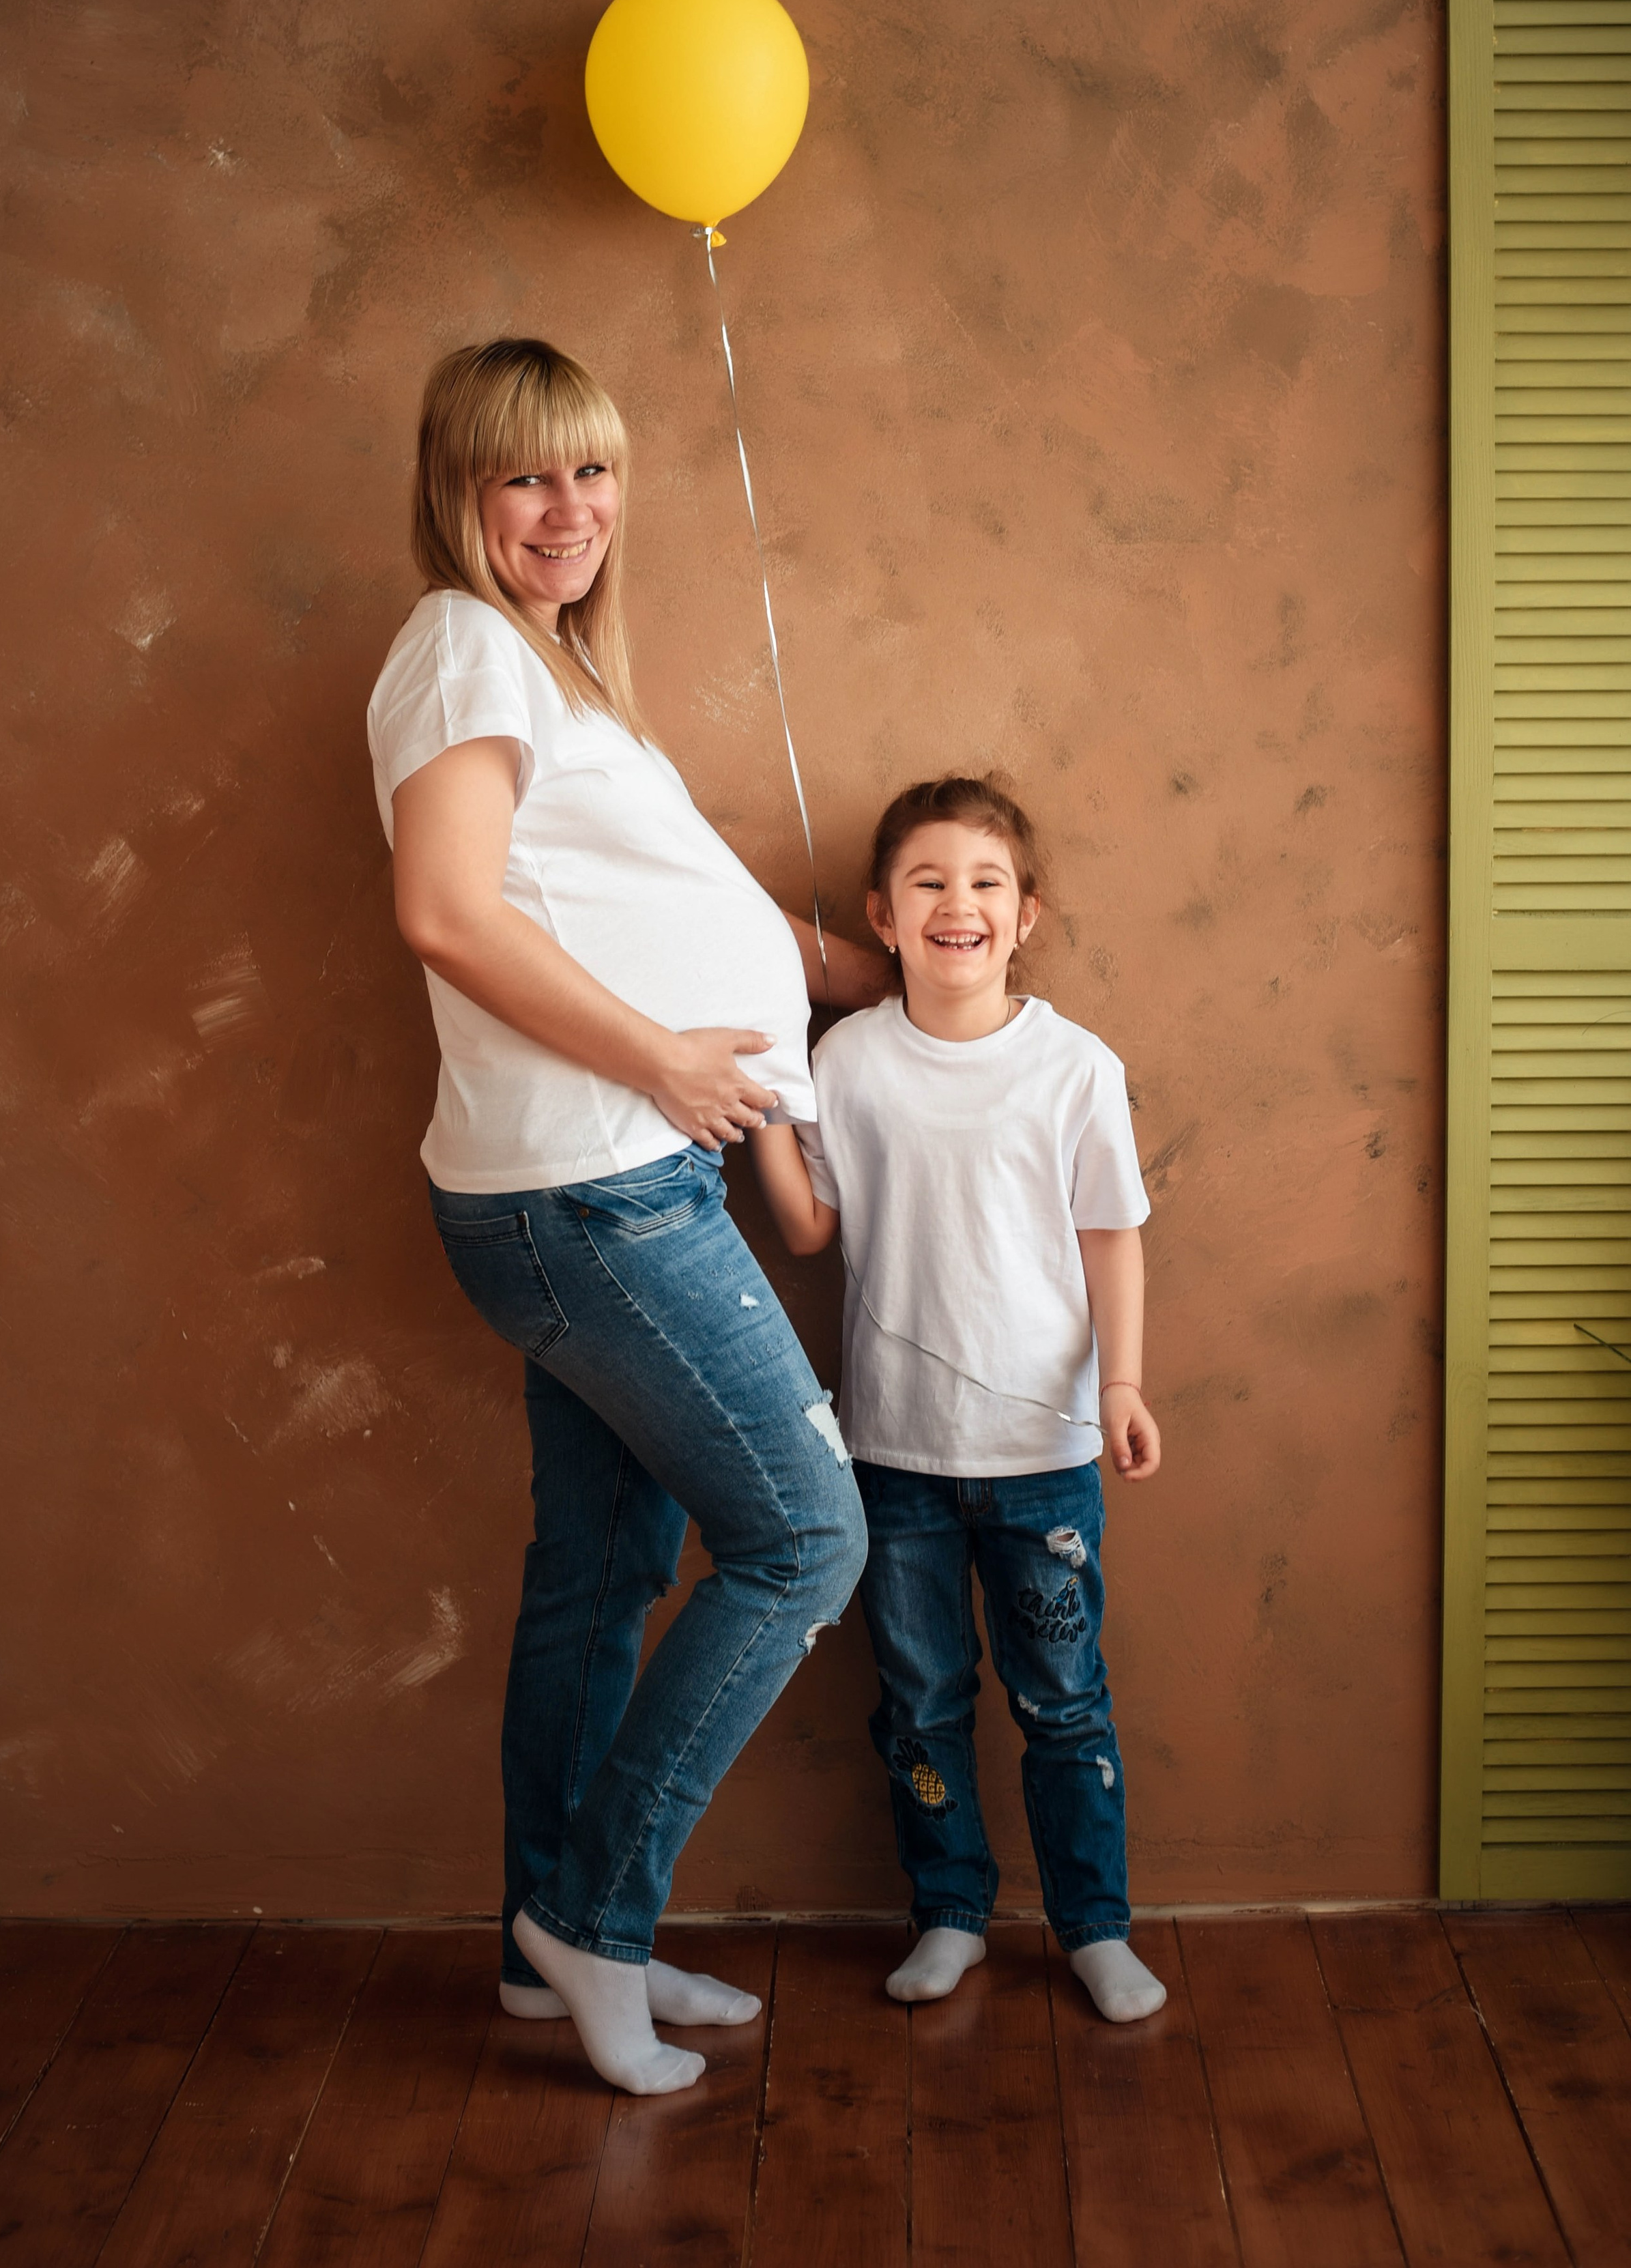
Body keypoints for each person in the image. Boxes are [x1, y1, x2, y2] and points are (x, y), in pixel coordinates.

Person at [368, 337, 880, 2095]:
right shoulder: (454, 647)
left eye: (591, 472)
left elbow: (661, 894)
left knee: (601, 1576)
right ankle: (593, 1924)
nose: (567, 510)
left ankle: (543, 1941)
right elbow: (444, 911)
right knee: (807, 1541)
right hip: (593, 1187)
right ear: (458, 490)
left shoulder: (551, 672)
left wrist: (854, 971)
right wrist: (667, 1059)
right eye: (525, 477)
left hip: (587, 1182)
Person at [749, 774, 1168, 2022]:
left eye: (985, 882)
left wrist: (1125, 1384)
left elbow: (1114, 1234)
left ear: (1025, 913)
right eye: (928, 882)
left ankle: (1094, 1924)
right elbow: (811, 1230)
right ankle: (949, 1914)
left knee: (1064, 1698)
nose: (958, 904)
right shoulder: (850, 1060)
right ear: (882, 915)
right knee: (921, 1704)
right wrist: (774, 1103)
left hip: (1046, 1448)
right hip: (894, 1454)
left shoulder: (1076, 1068)